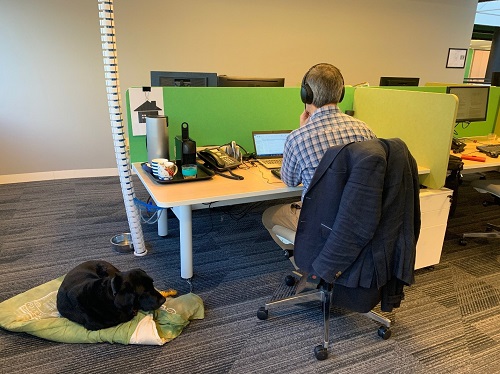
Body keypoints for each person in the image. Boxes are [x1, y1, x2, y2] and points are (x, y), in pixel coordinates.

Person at [262, 63, 377, 258]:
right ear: (340, 95)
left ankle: (311, 261)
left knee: (268, 216)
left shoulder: (298, 137)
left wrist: (301, 130)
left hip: (319, 221)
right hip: (358, 219)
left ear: (305, 95)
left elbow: (290, 181)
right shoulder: (365, 129)